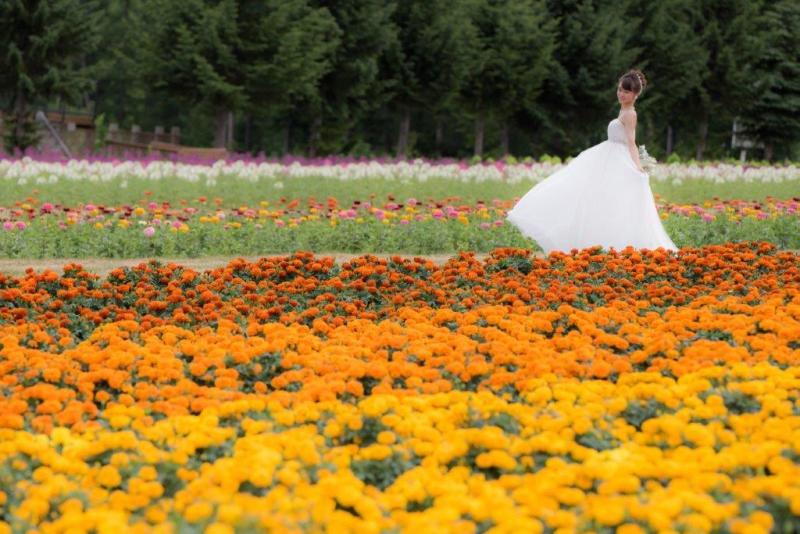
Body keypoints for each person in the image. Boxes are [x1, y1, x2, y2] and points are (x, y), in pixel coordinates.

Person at [506, 69, 678, 254]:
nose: (621, 94)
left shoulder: (630, 114)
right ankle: (595, 244)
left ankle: (617, 247)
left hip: (617, 161)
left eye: (626, 92)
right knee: (590, 197)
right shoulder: (623, 110)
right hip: (606, 157)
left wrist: (637, 167)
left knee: (613, 202)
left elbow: (631, 142)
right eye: (620, 89)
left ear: (636, 94)